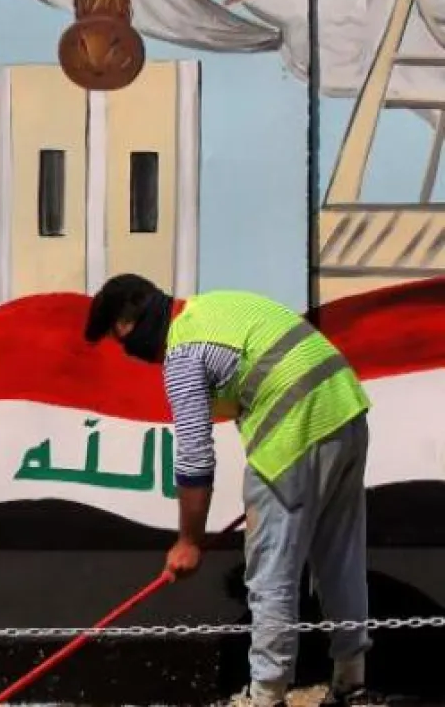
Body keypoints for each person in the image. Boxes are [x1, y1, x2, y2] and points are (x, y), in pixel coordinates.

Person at [83, 274, 383, 707]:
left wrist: (188, 542)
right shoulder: (215, 306)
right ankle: (351, 684)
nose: (127, 350)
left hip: (293, 433)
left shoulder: (182, 353)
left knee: (271, 571)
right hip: (346, 410)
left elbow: (194, 459)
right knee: (340, 556)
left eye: (120, 336)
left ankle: (266, 695)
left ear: (133, 316)